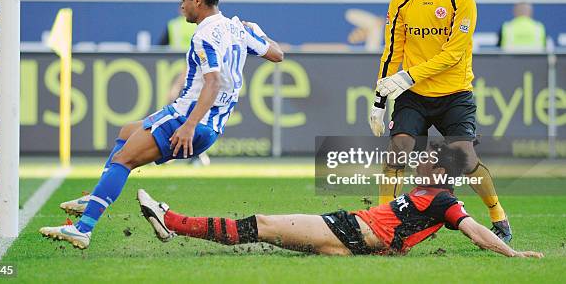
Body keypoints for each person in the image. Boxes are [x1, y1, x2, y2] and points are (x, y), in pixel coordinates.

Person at [39, 0, 284, 249]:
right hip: (212, 127)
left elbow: (212, 83)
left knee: (123, 160)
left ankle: (83, 229)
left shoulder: (204, 33)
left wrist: (188, 125)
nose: (181, 5)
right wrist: (259, 32)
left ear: (198, 0)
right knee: (127, 131)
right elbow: (277, 55)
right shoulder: (237, 29)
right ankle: (95, 197)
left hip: (186, 118)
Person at [136, 143, 543, 258]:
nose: (421, 161)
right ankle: (170, 220)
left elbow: (473, 231)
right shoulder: (428, 195)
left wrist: (514, 254)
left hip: (347, 228)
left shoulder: (443, 201)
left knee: (259, 224)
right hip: (352, 241)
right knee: (259, 232)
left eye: (429, 160)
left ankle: (168, 218)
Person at [368, 0, 513, 243]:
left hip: (454, 93)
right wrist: (379, 99)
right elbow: (392, 51)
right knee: (399, 149)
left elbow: (453, 55)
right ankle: (380, 222)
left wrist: (407, 77)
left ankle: (498, 214)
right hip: (415, 96)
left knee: (464, 157)